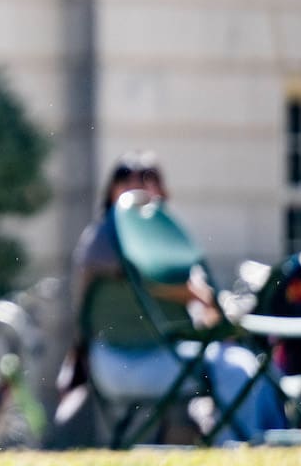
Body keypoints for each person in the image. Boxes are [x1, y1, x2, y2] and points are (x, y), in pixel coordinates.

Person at [69, 153, 284, 444]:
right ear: (111, 191)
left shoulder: (165, 244)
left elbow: (202, 306)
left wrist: (213, 315)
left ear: (162, 191)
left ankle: (274, 442)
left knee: (253, 364)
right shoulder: (103, 238)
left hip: (166, 355)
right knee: (236, 369)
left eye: (147, 179)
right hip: (122, 360)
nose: (137, 188)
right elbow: (150, 279)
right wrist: (197, 294)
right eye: (126, 180)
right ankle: (234, 451)